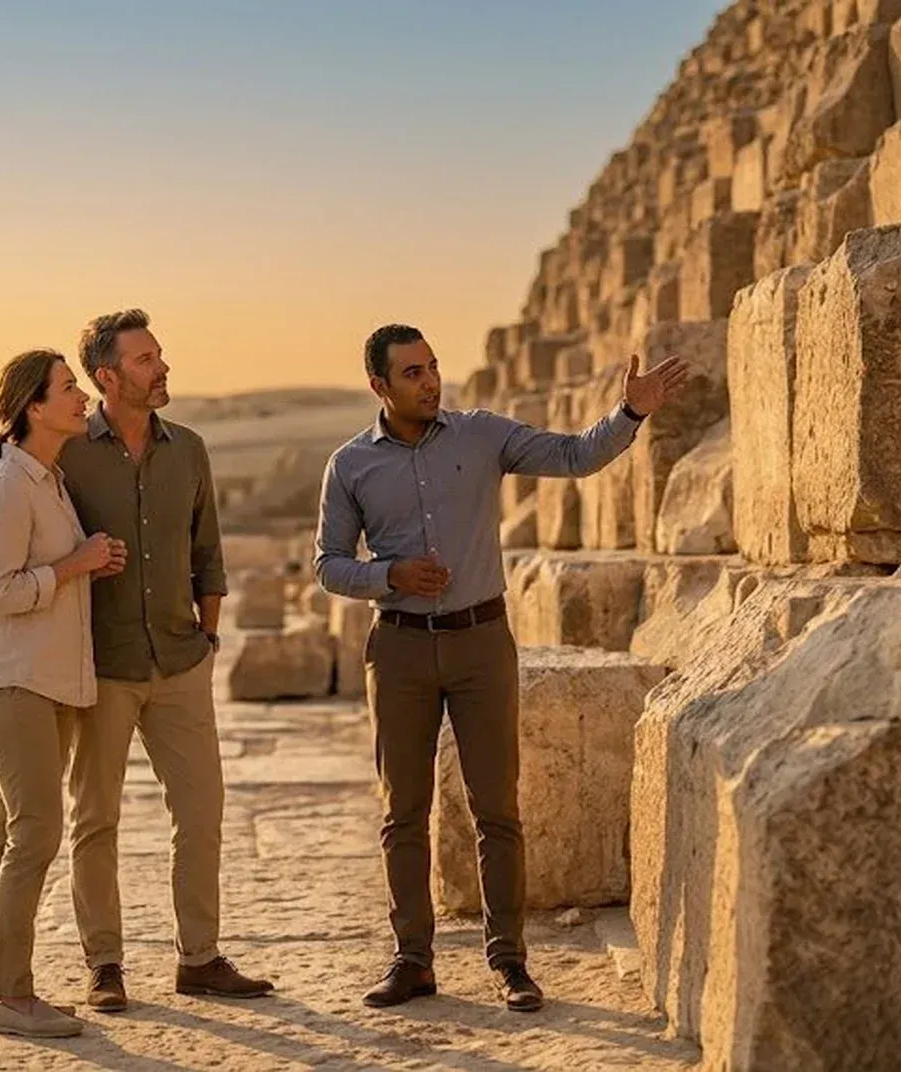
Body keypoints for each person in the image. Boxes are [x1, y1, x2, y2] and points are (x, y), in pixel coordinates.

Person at [314, 324, 689, 1013]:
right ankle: (412, 960)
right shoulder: (350, 465)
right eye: (412, 374)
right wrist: (387, 573)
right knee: (403, 811)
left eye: (432, 367)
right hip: (397, 648)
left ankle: (510, 961)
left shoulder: (483, 435)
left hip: (481, 642)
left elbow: (576, 456)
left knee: (498, 809)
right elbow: (328, 564)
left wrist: (630, 412)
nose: (430, 382)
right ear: (379, 387)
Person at [58, 309, 272, 1010]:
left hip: (181, 660)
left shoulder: (190, 449)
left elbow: (208, 551)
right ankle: (104, 964)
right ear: (107, 376)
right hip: (103, 666)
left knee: (202, 812)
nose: (163, 368)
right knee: (96, 818)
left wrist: (208, 638)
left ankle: (200, 958)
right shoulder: (67, 453)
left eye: (160, 355)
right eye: (146, 359)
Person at [0, 349, 128, 1039]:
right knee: (37, 833)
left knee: (9, 836)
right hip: (14, 680)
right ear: (33, 406)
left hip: (45, 680)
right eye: (67, 389)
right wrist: (75, 565)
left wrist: (84, 564)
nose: (82, 397)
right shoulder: (7, 484)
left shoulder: (48, 480)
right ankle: (14, 996)